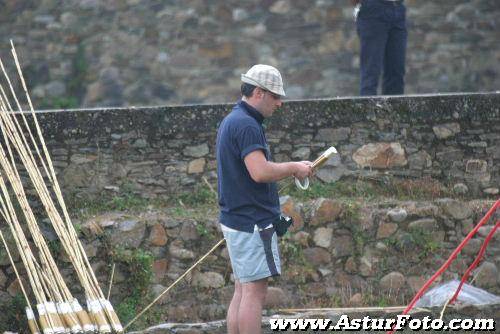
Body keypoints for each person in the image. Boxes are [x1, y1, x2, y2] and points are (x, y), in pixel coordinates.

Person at [216, 64, 313, 334]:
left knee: (242, 289)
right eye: (275, 96)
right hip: (253, 221)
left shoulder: (233, 120)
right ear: (259, 93)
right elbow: (259, 172)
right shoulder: (247, 125)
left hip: (237, 219)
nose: (280, 103)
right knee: (254, 293)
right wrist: (294, 167)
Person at [352, 0, 407, 95]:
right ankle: (367, 109)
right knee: (371, 72)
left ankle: (395, 109)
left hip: (398, 8)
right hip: (373, 9)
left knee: (396, 72)